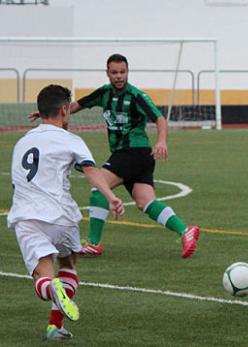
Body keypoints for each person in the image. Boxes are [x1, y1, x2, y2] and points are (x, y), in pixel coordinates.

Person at [31, 54, 200, 258]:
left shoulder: (136, 96)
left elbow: (160, 118)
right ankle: (185, 230)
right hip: (137, 157)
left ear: (128, 72)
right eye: (115, 72)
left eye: (123, 72)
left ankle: (94, 242)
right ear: (108, 73)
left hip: (133, 151)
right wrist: (48, 115)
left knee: (98, 188)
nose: (119, 76)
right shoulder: (104, 93)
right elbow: (76, 105)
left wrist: (162, 141)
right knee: (145, 202)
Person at [9, 85, 125, 340]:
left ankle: (52, 288)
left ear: (40, 113)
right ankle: (54, 325)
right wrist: (111, 196)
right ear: (64, 110)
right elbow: (91, 170)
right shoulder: (71, 140)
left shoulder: (22, 142)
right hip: (61, 216)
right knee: (68, 263)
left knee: (43, 277)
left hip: (26, 218)